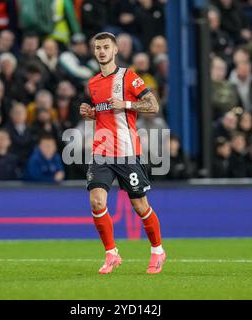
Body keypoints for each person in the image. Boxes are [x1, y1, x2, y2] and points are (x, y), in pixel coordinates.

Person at [79, 32, 166, 274]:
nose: (102, 51)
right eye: (97, 48)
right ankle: (111, 254)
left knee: (140, 206)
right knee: (97, 202)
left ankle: (158, 250)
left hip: (127, 152)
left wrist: (126, 104)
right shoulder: (93, 83)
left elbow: (153, 105)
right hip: (102, 152)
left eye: (106, 47)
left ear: (116, 50)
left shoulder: (128, 77)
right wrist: (91, 113)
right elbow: (104, 112)